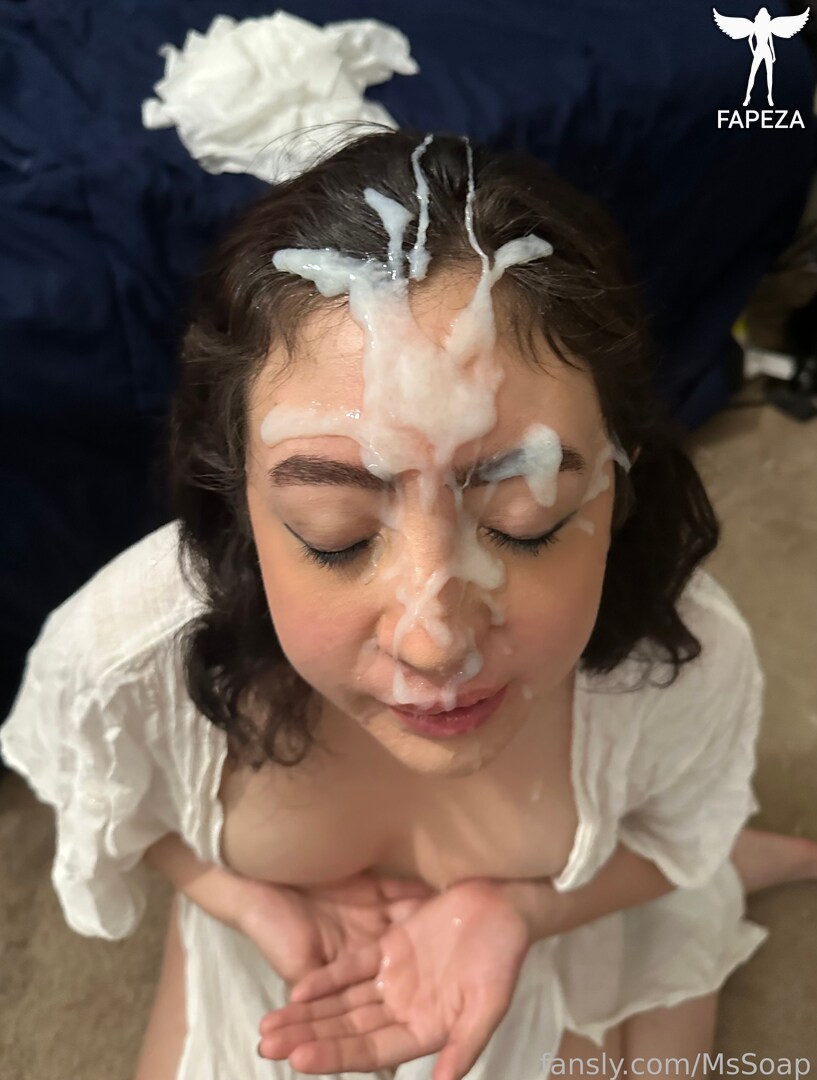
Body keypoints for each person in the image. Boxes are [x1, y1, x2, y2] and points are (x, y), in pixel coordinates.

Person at [2, 129, 815, 1080]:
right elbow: (109, 802)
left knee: (687, 898)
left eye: (525, 523)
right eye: (336, 535)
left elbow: (673, 837)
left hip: (546, 932)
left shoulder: (677, 658)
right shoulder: (124, 657)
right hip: (284, 952)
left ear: (619, 481)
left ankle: (751, 857)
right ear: (241, 503)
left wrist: (524, 908)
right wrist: (242, 899)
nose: (435, 647)